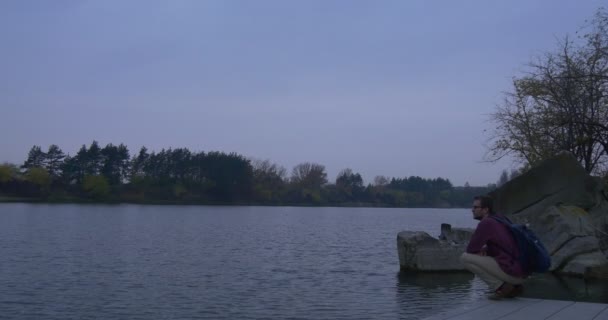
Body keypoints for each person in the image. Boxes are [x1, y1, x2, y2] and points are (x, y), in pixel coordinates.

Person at [460, 195, 527, 300]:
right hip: (522, 272)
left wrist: (480, 251)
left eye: (475, 207)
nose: (472, 210)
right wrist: (485, 251)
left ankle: (501, 287)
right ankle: (514, 287)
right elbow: (504, 245)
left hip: (513, 273)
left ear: (486, 209)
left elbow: (471, 249)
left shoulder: (486, 223)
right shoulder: (501, 218)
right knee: (475, 256)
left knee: (465, 258)